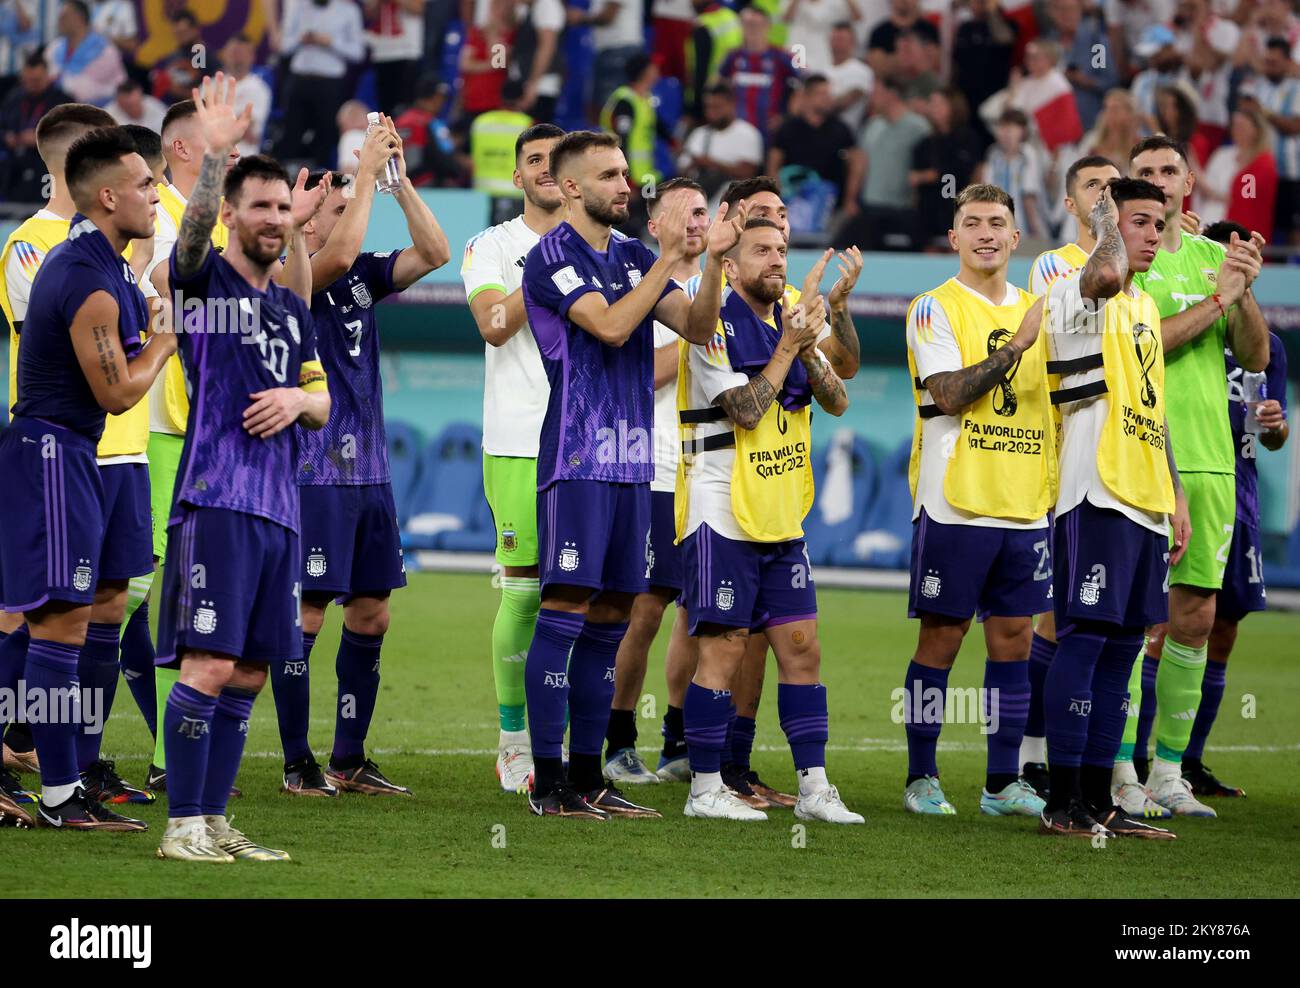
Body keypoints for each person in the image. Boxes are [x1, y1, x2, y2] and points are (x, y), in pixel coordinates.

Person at [155, 73, 331, 863]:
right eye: (256, 207)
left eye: (280, 208)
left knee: (253, 672)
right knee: (210, 661)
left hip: (279, 513)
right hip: (217, 501)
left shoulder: (293, 310)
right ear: (230, 212)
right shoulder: (203, 281)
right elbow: (186, 243)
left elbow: (325, 405)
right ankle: (181, 823)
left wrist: (299, 403)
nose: (272, 219)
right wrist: (217, 157)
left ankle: (215, 818)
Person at [517, 129, 717, 819]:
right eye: (609, 175)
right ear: (571, 187)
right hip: (576, 461)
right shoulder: (551, 257)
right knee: (567, 608)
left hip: (633, 465)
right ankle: (546, 782)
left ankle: (587, 775)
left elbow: (694, 325)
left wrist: (712, 262)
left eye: (626, 173)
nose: (625, 186)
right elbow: (608, 327)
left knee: (611, 617)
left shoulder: (633, 254)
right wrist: (668, 262)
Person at [657, 174, 862, 802]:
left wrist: (816, 332)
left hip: (780, 513)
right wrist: (788, 348)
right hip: (721, 508)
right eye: (760, 251)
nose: (775, 262)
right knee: (723, 647)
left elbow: (837, 397)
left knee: (802, 647)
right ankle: (707, 786)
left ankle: (815, 786)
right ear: (732, 258)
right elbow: (744, 410)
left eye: (781, 252)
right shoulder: (711, 321)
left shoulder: (790, 318)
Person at [273, 114, 451, 797]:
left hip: (370, 476)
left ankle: (348, 759)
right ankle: (296, 763)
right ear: (309, 216)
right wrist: (366, 173)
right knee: (309, 613)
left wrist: (398, 183)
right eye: (341, 208)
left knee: (371, 610)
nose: (353, 216)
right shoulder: (297, 280)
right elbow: (338, 257)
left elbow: (433, 252)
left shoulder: (360, 279)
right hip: (316, 475)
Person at [0, 125, 172, 831]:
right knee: (60, 625)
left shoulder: (108, 266)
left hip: (70, 454)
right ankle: (63, 795)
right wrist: (169, 337)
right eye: (142, 185)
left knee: (55, 614)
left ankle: (57, 781)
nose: (155, 192)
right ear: (107, 196)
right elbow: (120, 392)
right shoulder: (84, 277)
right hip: (53, 454)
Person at [1123, 134, 1270, 817]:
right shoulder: (1131, 262)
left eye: (1166, 172)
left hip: (1212, 459)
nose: (1156, 181)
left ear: (1187, 183)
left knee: (1197, 619)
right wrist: (1218, 301)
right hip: (1146, 454)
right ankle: (1120, 767)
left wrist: (1241, 294)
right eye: (1143, 173)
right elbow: (1150, 339)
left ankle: (1169, 772)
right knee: (1131, 618)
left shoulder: (1218, 257)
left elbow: (1255, 353)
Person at [1038, 177, 1184, 840]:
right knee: (1086, 639)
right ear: (1106, 225)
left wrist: (1173, 495)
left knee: (1124, 649)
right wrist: (1104, 233)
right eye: (1141, 223)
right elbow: (1101, 279)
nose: (1155, 235)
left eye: (1161, 224)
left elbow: (1153, 406)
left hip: (1144, 498)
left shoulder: (1148, 308)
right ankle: (1060, 801)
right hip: (1092, 488)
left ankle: (1100, 801)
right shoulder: (1075, 289)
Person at [901, 183, 1051, 818]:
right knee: (944, 637)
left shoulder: (1041, 309)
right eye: (973, 222)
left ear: (1016, 238)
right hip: (956, 501)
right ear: (954, 238)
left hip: (1024, 502)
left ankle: (1000, 783)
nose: (987, 232)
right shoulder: (934, 308)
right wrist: (1016, 346)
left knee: (1014, 639)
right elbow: (949, 395)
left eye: (998, 222)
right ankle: (921, 776)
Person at [0, 101, 115, 808]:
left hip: (102, 450)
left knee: (93, 609)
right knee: (31, 613)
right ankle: (40, 764)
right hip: (50, 446)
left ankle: (57, 760)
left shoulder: (105, 245)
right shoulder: (31, 249)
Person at [460, 122, 566, 792]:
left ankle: (583, 750)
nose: (547, 169)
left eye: (559, 160)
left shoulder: (613, 250)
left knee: (591, 601)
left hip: (593, 447)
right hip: (521, 442)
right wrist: (547, 268)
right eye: (535, 160)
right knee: (526, 592)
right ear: (518, 176)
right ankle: (513, 743)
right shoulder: (492, 246)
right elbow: (494, 327)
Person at [1018, 152, 1123, 803]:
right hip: (1069, 466)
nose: (1105, 195)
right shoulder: (1053, 265)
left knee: (1120, 626)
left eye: (1115, 186)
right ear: (1070, 201)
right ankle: (1035, 758)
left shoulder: (1137, 267)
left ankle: (1117, 769)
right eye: (1094, 186)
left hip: (1128, 468)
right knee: (1059, 619)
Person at [602, 177, 710, 785]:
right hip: (657, 467)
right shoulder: (645, 288)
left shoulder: (724, 286)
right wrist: (703, 343)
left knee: (700, 615)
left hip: (715, 474)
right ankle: (619, 741)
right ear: (656, 227)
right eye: (685, 213)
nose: (698, 222)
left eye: (704, 211)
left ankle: (678, 741)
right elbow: (640, 374)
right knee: (642, 611)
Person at [1185, 219, 1289, 798]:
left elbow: (1271, 432)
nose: (1237, 264)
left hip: (1239, 493)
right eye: (1228, 255)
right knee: (1162, 626)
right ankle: (1140, 763)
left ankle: (1189, 760)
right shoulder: (1183, 321)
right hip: (1179, 484)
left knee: (1221, 630)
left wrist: (1274, 427)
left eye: (1247, 256)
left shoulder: (1265, 344)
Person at [277, 0, 365, 168]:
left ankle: (325, 182)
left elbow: (358, 52)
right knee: (290, 133)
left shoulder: (349, 10)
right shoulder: (299, 8)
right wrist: (300, 39)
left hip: (330, 82)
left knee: (326, 136)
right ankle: (283, 178)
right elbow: (283, 46)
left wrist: (330, 42)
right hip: (300, 78)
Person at [766, 73, 864, 219]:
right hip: (793, 204)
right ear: (806, 97)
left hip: (829, 206)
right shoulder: (788, 128)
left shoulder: (841, 129)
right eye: (821, 94)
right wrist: (775, 198)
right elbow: (773, 165)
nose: (827, 98)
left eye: (829, 93)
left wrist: (850, 199)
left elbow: (857, 161)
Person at [1239, 37, 1300, 245]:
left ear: (1287, 62)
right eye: (1267, 62)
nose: (1269, 67)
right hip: (1257, 172)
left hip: (1288, 172)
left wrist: (1262, 111)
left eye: (1274, 63)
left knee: (1291, 227)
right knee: (1258, 221)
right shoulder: (1256, 87)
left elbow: (1294, 126)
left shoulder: (1296, 89)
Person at [909, 88, 982, 245]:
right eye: (932, 104)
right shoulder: (923, 144)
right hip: (928, 214)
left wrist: (930, 176)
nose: (934, 108)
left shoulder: (967, 139)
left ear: (953, 106)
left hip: (959, 211)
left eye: (939, 103)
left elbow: (965, 171)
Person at [719, 6, 800, 143]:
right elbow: (719, 87)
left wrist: (786, 117)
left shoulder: (782, 56)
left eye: (757, 24)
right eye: (747, 24)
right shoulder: (732, 57)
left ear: (768, 26)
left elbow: (804, 86)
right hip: (736, 131)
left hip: (769, 132)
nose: (752, 29)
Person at [676, 81, 763, 204]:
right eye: (708, 107)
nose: (711, 112)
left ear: (732, 104)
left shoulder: (748, 134)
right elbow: (682, 171)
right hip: (700, 202)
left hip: (734, 204)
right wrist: (693, 165)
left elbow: (748, 172)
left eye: (717, 107)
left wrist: (711, 163)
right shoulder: (699, 134)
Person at [1198, 106, 1277, 239]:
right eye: (1234, 125)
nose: (1237, 130)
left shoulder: (1262, 162)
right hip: (1210, 220)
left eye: (1242, 125)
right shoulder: (1222, 154)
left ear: (1256, 130)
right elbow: (1206, 190)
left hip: (1239, 228)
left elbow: (1248, 198)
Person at [0, 51, 69, 204]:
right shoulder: (14, 99)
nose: (31, 85)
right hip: (14, 161)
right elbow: (3, 126)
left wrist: (41, 138)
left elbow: (70, 134)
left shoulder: (62, 102)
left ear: (47, 76)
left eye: (36, 80)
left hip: (45, 162)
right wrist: (7, 137)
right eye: (27, 81)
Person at [44, 0, 124, 105]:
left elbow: (89, 91)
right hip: (57, 110)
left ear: (79, 18)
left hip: (95, 114)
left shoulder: (105, 51)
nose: (59, 20)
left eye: (64, 16)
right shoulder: (54, 47)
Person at [363, 0, 426, 116]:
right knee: (385, 108)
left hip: (407, 51)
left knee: (405, 106)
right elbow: (368, 15)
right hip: (383, 52)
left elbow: (420, 9)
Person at [219, 34, 272, 159]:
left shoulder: (259, 89)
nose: (237, 57)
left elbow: (244, 128)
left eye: (241, 53)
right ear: (224, 54)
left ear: (252, 56)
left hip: (243, 159)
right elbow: (196, 125)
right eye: (233, 53)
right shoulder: (209, 85)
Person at [150, 8, 217, 106]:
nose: (181, 37)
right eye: (177, 33)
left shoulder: (205, 56)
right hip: (169, 111)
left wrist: (179, 91)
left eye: (184, 32)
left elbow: (212, 91)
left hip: (197, 110)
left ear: (195, 30)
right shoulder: (170, 57)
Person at [824, 21, 874, 134]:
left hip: (846, 132)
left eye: (841, 39)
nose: (837, 43)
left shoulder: (861, 71)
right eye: (834, 39)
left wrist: (817, 105)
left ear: (853, 43)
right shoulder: (821, 70)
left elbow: (848, 100)